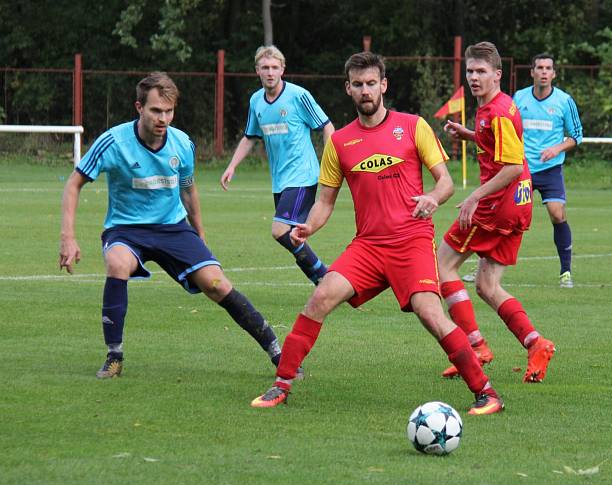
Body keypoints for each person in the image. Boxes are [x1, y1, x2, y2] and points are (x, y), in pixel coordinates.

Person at [250, 51, 505, 415]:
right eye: (358, 85)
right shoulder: (339, 143)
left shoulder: (413, 126)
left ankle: (486, 392)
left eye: (372, 83)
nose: (366, 90)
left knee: (430, 313)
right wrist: (309, 226)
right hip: (368, 246)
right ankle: (281, 385)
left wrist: (433, 198)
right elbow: (324, 202)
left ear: (383, 85)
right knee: (321, 297)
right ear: (348, 89)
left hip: (411, 240)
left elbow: (445, 182)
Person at [59, 72, 293, 379]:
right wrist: (68, 237)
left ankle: (277, 351)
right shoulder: (113, 142)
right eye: (156, 110)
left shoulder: (182, 144)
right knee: (117, 263)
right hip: (126, 230)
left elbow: (188, 190)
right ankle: (114, 356)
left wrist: (201, 234)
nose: (163, 118)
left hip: (173, 228)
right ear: (139, 107)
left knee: (216, 283)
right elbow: (74, 184)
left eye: (168, 111)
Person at [437, 42, 556, 383]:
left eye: (481, 72)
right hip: (516, 204)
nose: (474, 78)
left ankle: (475, 346)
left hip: (496, 205)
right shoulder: (495, 108)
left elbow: (512, 166)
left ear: (497, 75)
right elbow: (500, 146)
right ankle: (536, 343)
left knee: (442, 267)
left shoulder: (499, 111)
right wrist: (470, 135)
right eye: (470, 72)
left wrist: (474, 196)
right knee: (488, 285)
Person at [220, 45, 334, 285]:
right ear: (257, 71)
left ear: (282, 69)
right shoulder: (256, 101)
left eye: (274, 67)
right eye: (265, 68)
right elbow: (250, 136)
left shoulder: (298, 95)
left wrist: (329, 162)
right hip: (280, 180)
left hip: (304, 176)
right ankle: (322, 278)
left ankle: (322, 273)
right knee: (291, 234)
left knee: (279, 230)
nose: (270, 72)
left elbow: (326, 125)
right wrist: (232, 166)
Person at [513, 53, 583, 288]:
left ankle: (566, 272)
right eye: (539, 67)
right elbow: (510, 129)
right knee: (508, 217)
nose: (544, 72)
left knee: (557, 214)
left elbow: (577, 136)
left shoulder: (564, 101)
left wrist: (557, 148)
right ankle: (482, 266)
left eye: (548, 68)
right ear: (532, 72)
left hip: (550, 169)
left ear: (553, 73)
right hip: (521, 169)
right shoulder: (519, 98)